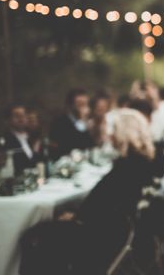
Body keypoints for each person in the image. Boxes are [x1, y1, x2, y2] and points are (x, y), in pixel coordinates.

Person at [21, 109, 156, 274]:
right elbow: (107, 201)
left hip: (101, 235)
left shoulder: (127, 166)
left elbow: (103, 204)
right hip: (115, 230)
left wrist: (77, 217)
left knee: (34, 234)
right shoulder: (139, 162)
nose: (109, 135)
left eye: (112, 130)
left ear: (121, 133)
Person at [49, 88, 94, 159]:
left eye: (85, 104)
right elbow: (71, 145)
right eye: (79, 104)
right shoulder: (60, 122)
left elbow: (90, 146)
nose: (83, 107)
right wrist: (82, 122)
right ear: (71, 105)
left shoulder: (87, 121)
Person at [0, 103, 40, 175]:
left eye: (23, 115)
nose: (21, 119)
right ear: (9, 119)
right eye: (17, 116)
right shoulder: (5, 140)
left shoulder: (32, 137)